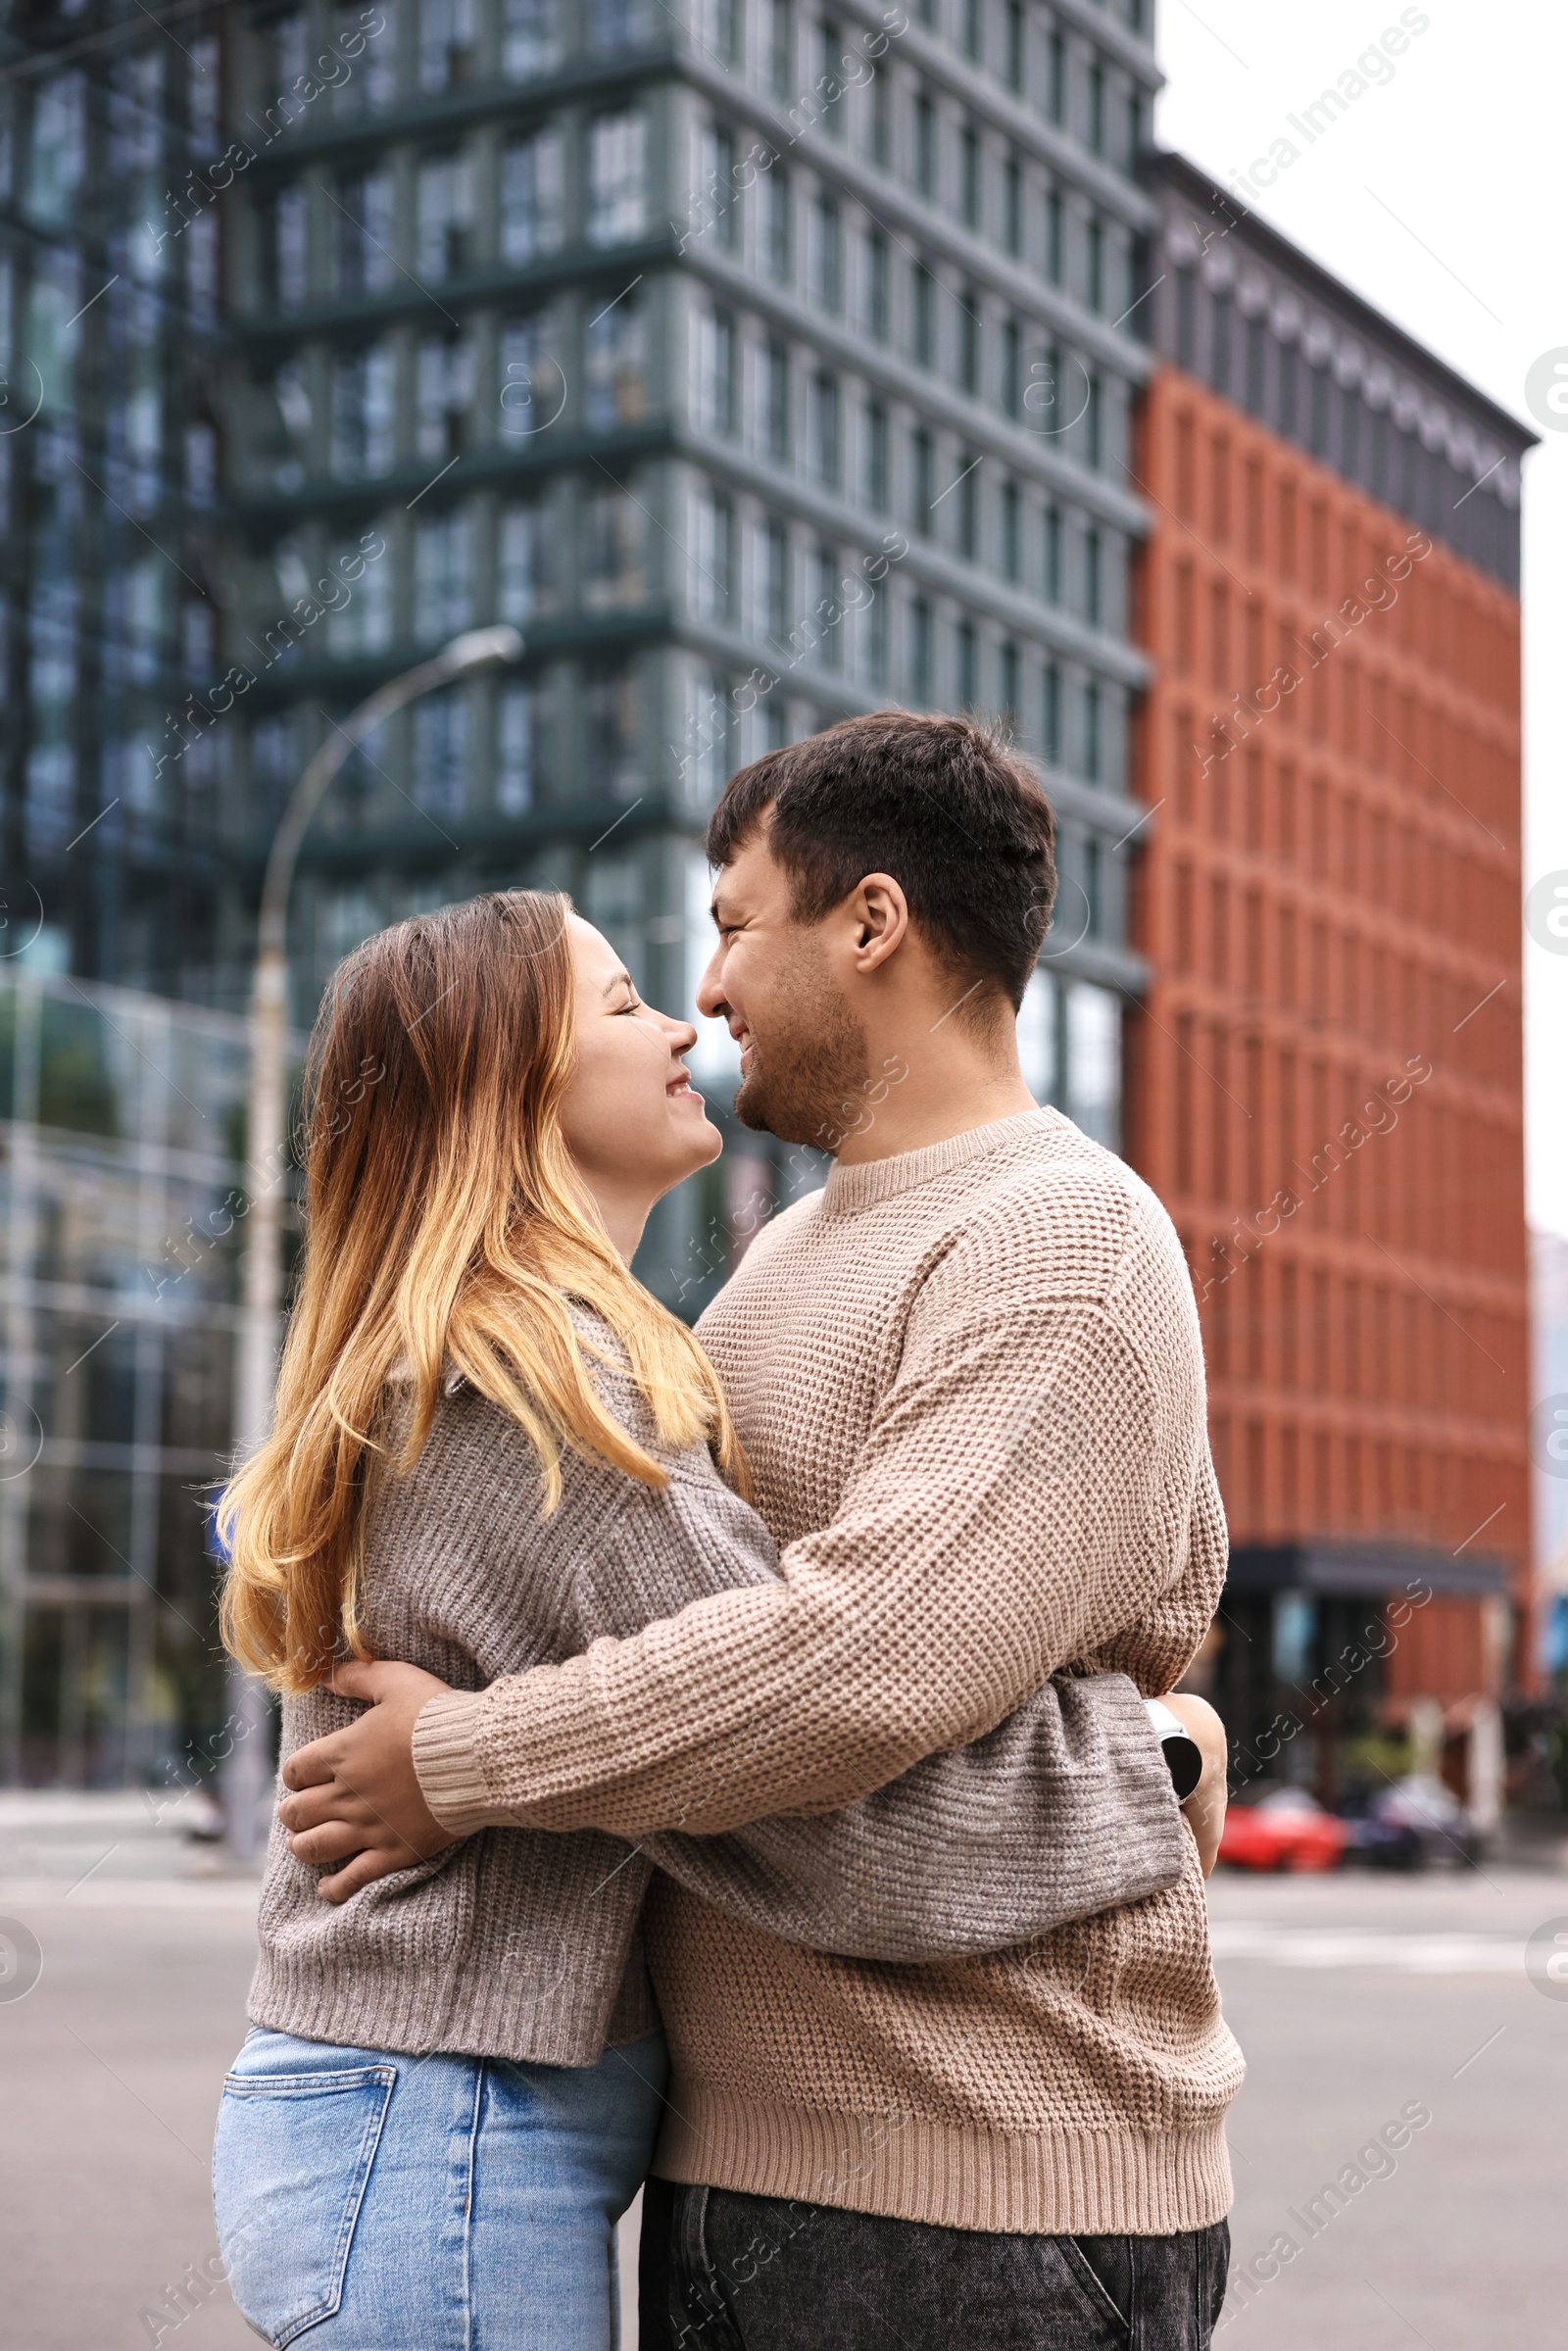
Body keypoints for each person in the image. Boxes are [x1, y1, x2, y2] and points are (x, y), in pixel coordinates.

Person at [281, 712, 1244, 2350]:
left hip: (975, 2201)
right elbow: (714, 1692)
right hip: (742, 2182)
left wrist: (465, 1763)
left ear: (868, 923)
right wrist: (1163, 1763)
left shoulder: (1061, 1240)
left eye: (730, 926)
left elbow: (851, 1675)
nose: (707, 992)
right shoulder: (778, 1261)